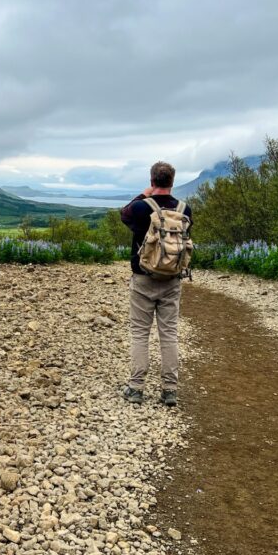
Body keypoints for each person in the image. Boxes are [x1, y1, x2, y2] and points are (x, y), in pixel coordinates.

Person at [118, 161, 192, 407]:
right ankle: (169, 390)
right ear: (173, 181)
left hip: (143, 278)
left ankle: (136, 388)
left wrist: (144, 194)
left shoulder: (141, 208)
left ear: (152, 180)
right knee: (169, 333)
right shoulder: (185, 209)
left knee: (140, 333)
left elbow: (123, 213)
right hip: (172, 279)